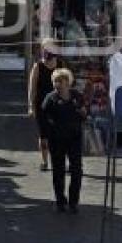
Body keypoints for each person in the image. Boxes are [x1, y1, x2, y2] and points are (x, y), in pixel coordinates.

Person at [41, 68, 86, 213]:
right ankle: (60, 200)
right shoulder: (50, 98)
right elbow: (43, 120)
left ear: (68, 82)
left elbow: (84, 114)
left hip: (74, 138)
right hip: (57, 139)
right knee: (58, 170)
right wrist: (44, 137)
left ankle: (74, 202)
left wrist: (84, 113)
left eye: (60, 81)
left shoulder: (77, 96)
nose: (57, 84)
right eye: (55, 81)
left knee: (76, 170)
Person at [28, 40, 59, 171]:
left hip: (58, 105)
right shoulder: (38, 66)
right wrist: (30, 106)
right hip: (41, 105)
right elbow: (32, 88)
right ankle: (45, 161)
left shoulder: (61, 64)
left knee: (58, 134)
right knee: (44, 135)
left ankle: (59, 160)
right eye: (45, 48)